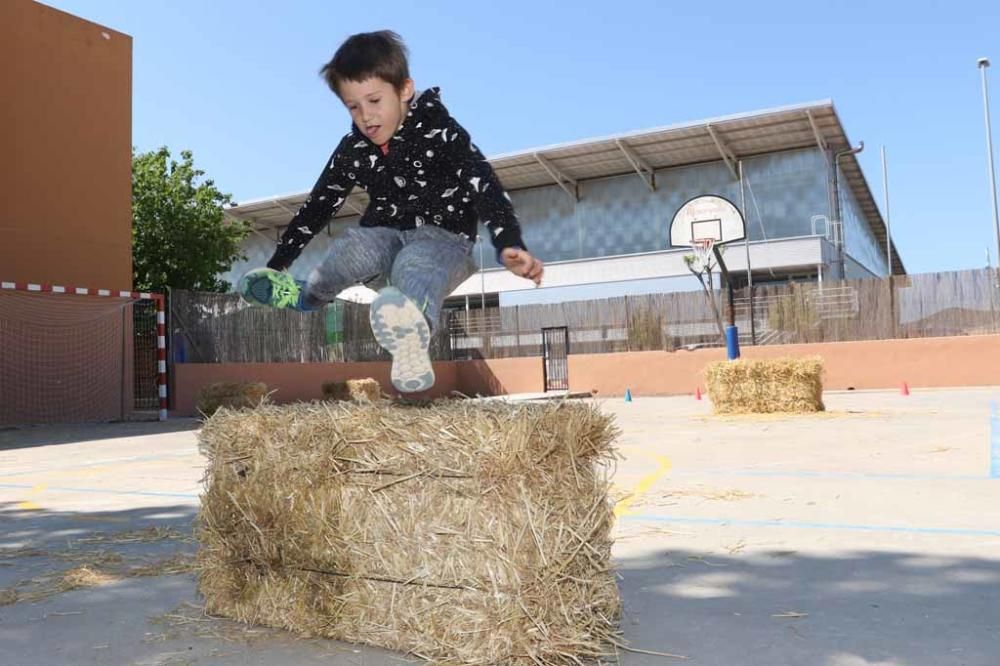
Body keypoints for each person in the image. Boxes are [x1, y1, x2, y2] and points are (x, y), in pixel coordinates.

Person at [239, 30, 543, 393]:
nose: (366, 117)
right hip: (384, 235)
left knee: (413, 264)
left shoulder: (440, 131)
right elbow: (319, 205)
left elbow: (483, 182)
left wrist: (509, 240)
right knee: (352, 248)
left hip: (442, 241)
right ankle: (302, 296)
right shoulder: (353, 148)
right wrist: (278, 263)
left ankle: (410, 338)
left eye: (374, 100)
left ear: (404, 90)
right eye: (353, 106)